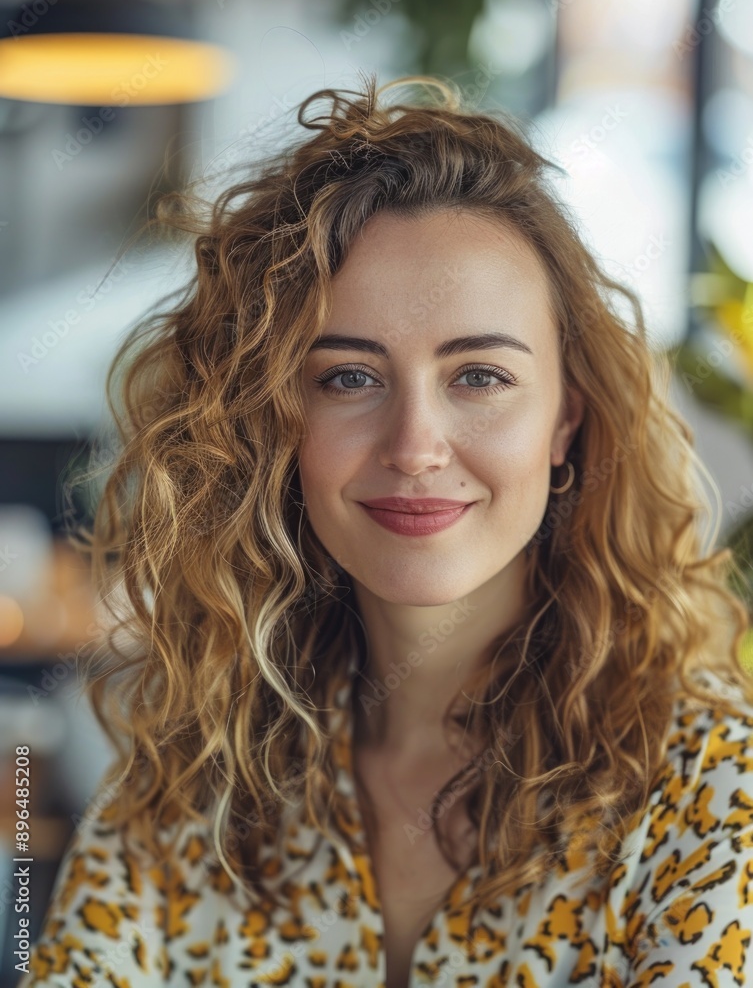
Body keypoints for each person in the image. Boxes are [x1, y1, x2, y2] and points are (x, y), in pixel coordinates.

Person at [18, 71, 753, 988]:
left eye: (479, 376)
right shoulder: (199, 764)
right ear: (273, 421)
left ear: (567, 419)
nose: (413, 447)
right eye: (348, 379)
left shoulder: (710, 786)